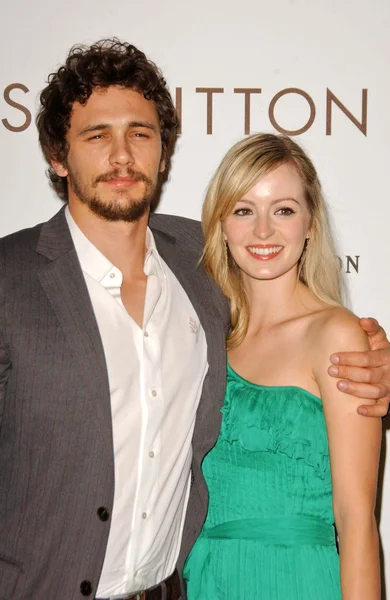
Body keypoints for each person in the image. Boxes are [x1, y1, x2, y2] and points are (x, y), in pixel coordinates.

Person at [0, 40, 388, 600]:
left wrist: (377, 361)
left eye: (140, 133)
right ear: (59, 157)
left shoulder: (195, 264)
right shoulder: (10, 281)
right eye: (96, 135)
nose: (121, 155)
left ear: (163, 151)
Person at [183, 133, 382, 599]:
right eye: (244, 210)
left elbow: (356, 521)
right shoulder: (204, 334)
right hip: (206, 579)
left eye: (284, 210)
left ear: (310, 223)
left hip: (297, 580)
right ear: (221, 224)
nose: (264, 232)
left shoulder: (335, 333)